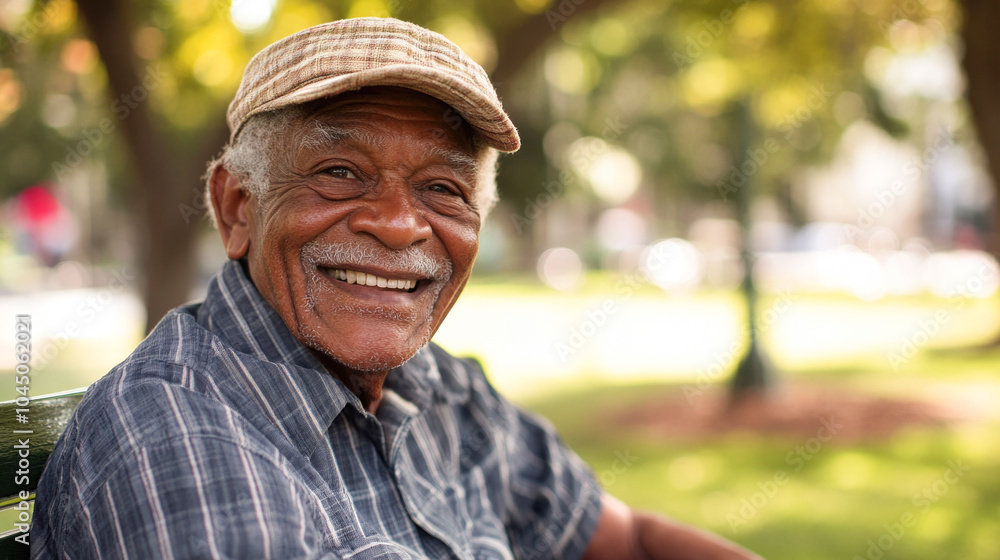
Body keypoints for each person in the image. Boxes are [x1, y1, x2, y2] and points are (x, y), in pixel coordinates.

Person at [32, 17, 762, 560]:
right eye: (340, 173)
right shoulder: (182, 443)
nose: (398, 225)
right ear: (237, 209)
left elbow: (627, 542)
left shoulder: (438, 391)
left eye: (443, 188)